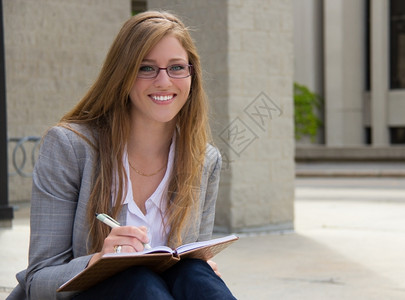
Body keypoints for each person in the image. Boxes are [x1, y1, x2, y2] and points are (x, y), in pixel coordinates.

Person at [8, 10, 236, 300]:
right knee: (138, 280)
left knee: (196, 275)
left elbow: (190, 259)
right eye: (146, 68)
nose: (164, 82)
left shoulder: (204, 160)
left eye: (177, 67)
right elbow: (38, 282)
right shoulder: (68, 147)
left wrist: (201, 270)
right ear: (123, 75)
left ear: (193, 75)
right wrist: (98, 261)